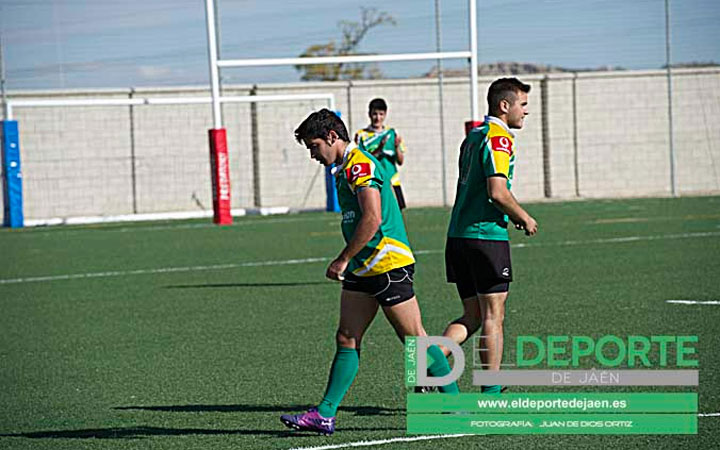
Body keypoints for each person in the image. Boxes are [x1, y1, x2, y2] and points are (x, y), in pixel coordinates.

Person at [280, 109, 458, 436]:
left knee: (415, 341)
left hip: (387, 262)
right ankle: (325, 414)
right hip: (366, 265)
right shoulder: (344, 168)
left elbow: (372, 217)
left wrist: (343, 259)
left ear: (332, 136)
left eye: (314, 145)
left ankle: (457, 407)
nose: (312, 154)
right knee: (347, 337)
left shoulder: (360, 164)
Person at [441, 78, 538, 394]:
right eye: (522, 104)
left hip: (459, 236)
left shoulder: (474, 136)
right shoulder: (498, 138)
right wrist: (523, 216)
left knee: (473, 315)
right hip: (485, 238)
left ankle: (432, 358)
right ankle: (492, 390)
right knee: (494, 316)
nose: (526, 111)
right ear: (504, 105)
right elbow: (497, 192)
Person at [354, 98, 407, 209]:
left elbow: (400, 161)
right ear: (369, 114)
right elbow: (361, 160)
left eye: (381, 114)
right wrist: (379, 149)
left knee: (397, 214)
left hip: (392, 180)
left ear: (385, 114)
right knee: (376, 215)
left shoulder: (392, 133)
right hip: (374, 182)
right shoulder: (361, 135)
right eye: (375, 114)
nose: (378, 118)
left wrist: (397, 146)